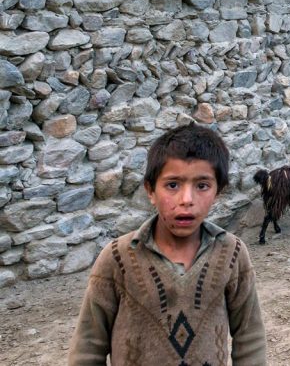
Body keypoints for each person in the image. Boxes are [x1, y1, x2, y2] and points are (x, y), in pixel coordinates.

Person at [68, 125, 266, 365]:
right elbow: (88, 348)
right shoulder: (117, 258)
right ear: (150, 191)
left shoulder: (232, 253)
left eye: (202, 185)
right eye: (172, 185)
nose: (186, 200)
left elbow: (249, 337)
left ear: (218, 192)